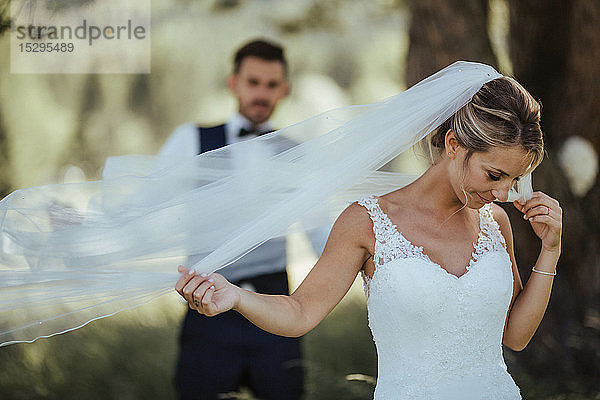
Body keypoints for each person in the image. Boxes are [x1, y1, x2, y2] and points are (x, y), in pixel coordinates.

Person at [175, 74, 563, 399]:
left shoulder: (496, 222)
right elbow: (300, 313)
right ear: (452, 145)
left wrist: (550, 251)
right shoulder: (366, 222)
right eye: (494, 175)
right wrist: (237, 296)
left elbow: (515, 336)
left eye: (515, 179)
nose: (502, 192)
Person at [160, 39, 309, 400]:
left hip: (275, 312)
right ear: (233, 83)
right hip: (205, 308)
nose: (261, 93)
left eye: (271, 85)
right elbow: (142, 207)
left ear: (284, 90)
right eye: (253, 82)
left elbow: (321, 231)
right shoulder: (191, 140)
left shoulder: (295, 152)